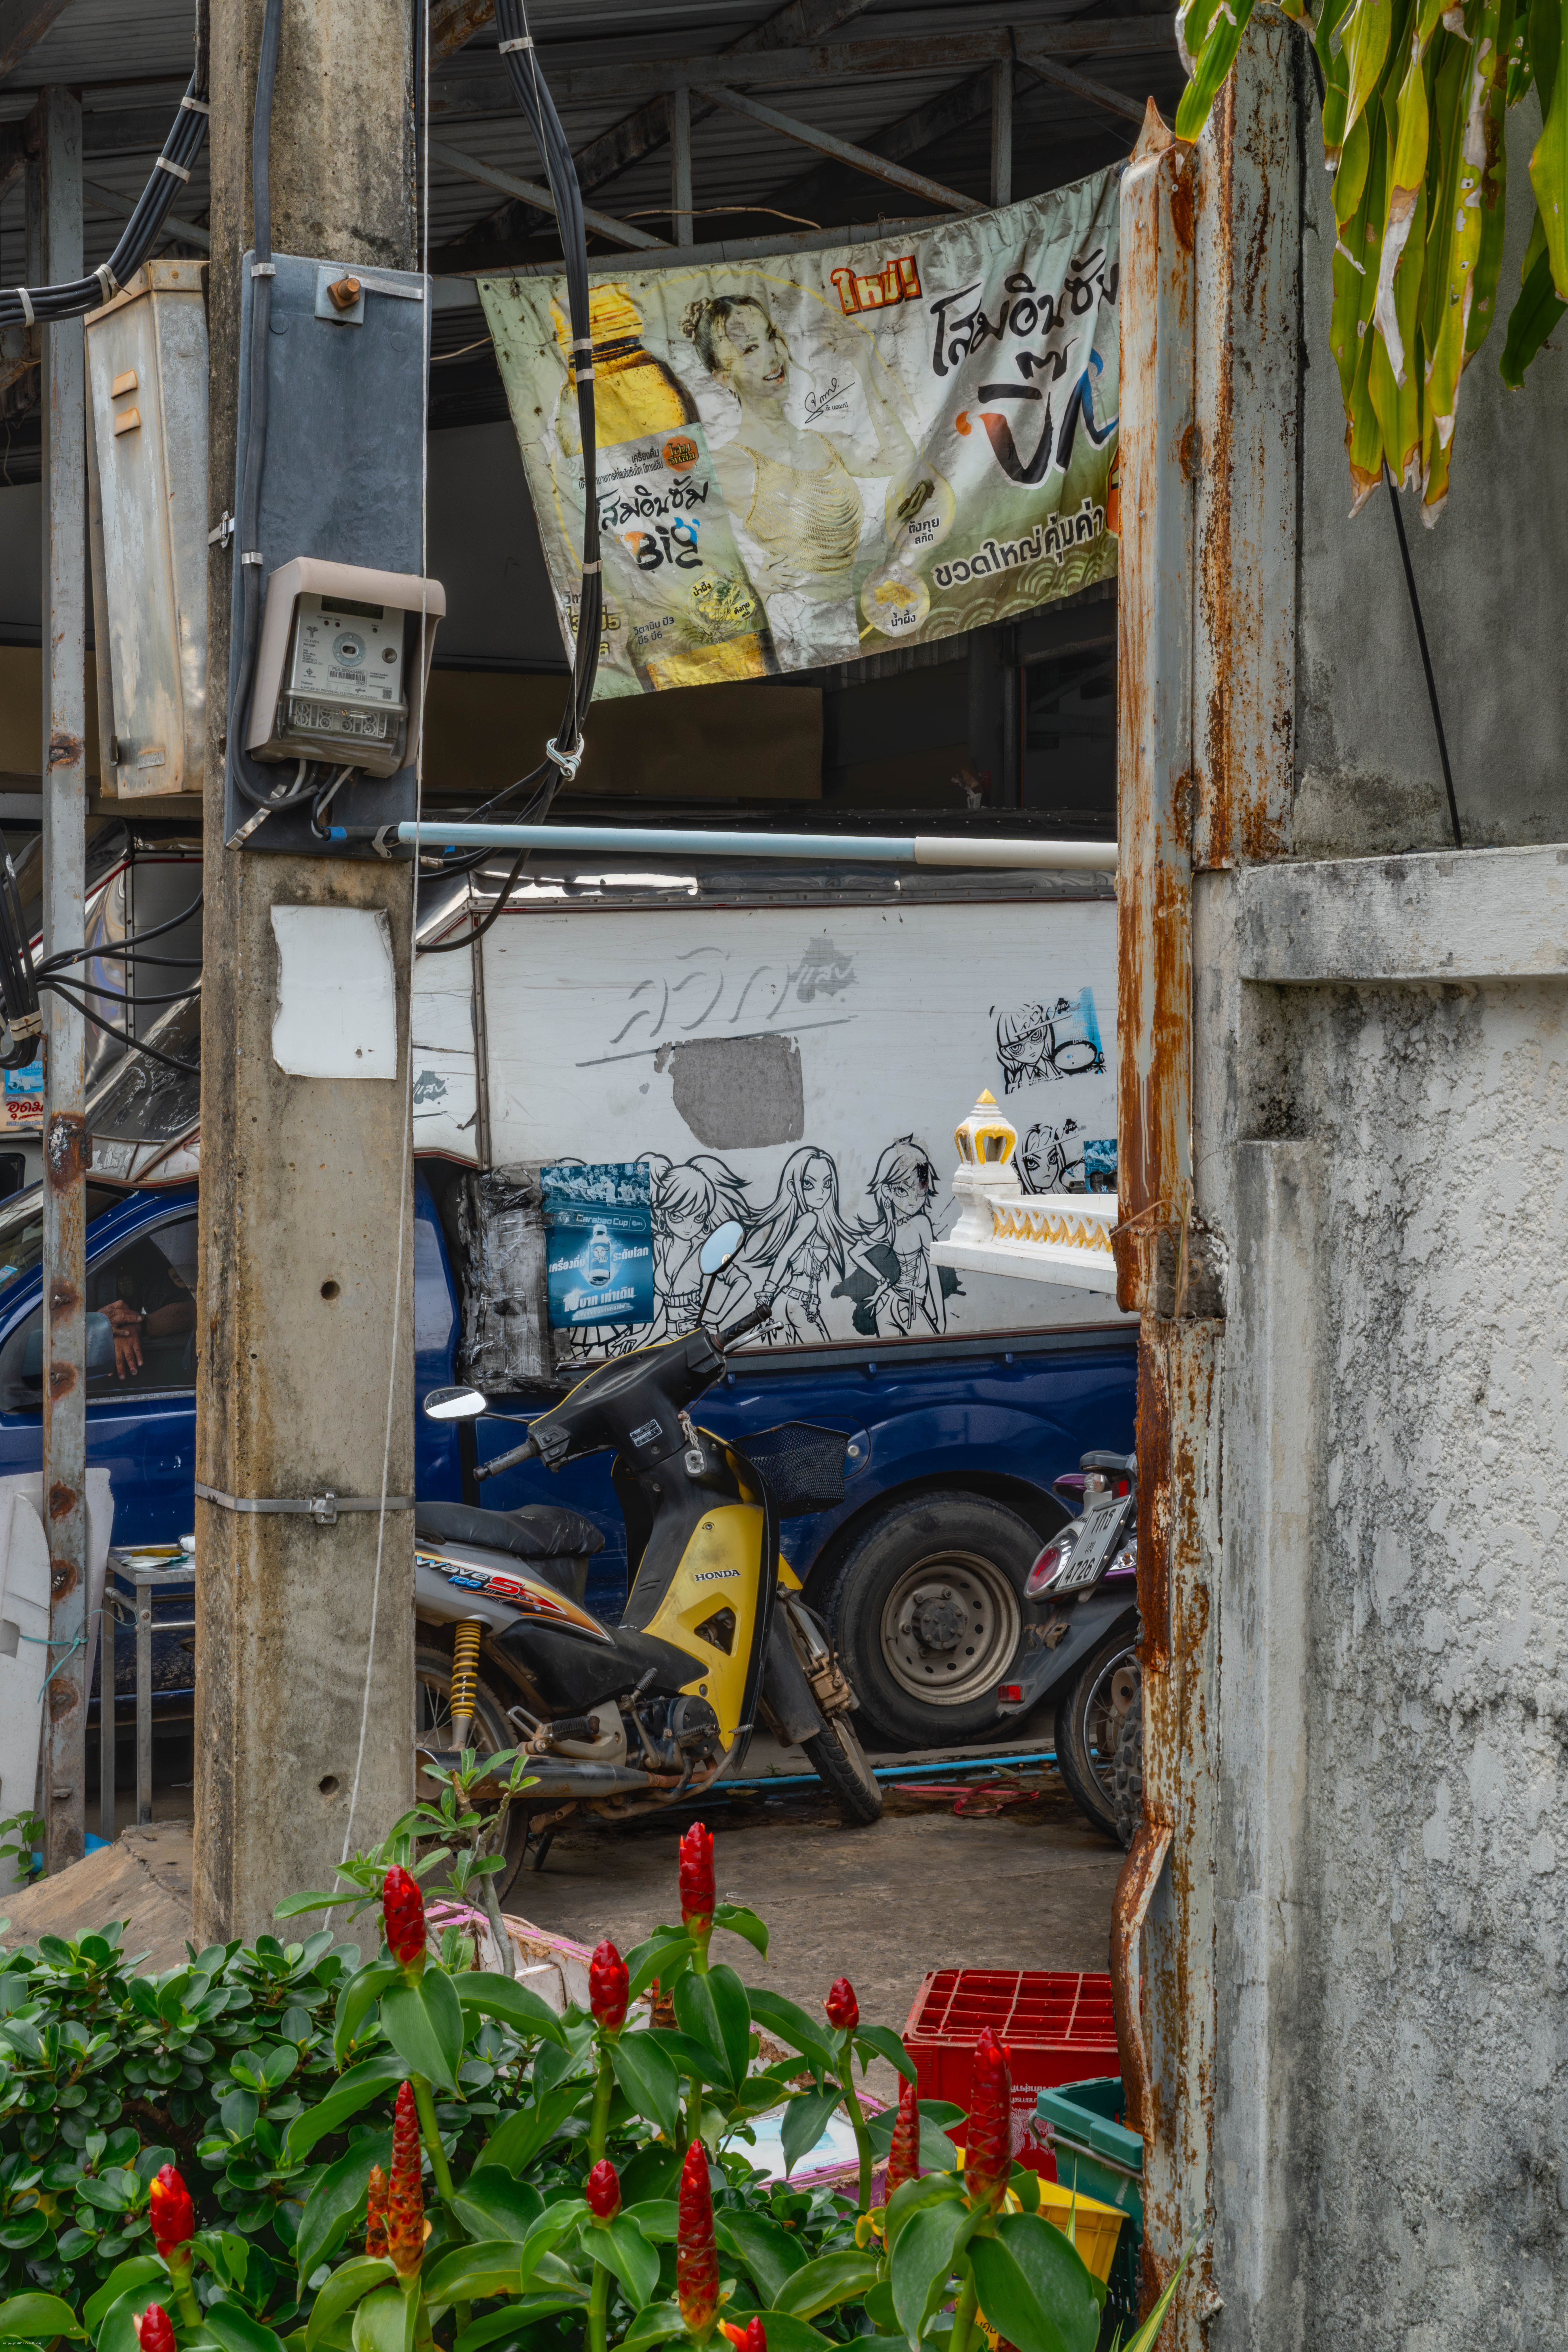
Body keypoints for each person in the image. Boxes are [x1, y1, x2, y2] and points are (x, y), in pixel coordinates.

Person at [679, 293, 915, 665]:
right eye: (750, 349)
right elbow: (685, 572)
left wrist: (864, 364)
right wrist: (756, 586)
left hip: (859, 625)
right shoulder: (726, 468)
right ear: (723, 377)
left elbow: (901, 458)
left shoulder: (824, 444)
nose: (773, 355)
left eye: (772, 336)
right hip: (795, 640)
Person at [745, 1148, 861, 1343]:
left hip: (797, 1302)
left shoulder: (809, 1221)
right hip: (793, 1303)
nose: (822, 1193)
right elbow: (784, 1256)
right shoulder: (809, 1219)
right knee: (822, 1353)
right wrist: (767, 1293)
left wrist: (813, 1301)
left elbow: (810, 1276)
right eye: (809, 1184)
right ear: (793, 1187)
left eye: (827, 1184)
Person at [96, 1234, 195, 1381]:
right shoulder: (53, 1256)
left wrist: (136, 1325)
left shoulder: (126, 1241)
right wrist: (95, 1326)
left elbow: (188, 1312)